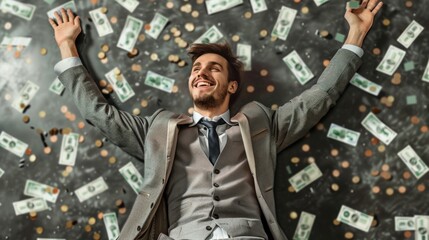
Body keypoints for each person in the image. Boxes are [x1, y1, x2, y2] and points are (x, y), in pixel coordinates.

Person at [48, 0, 383, 239]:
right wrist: (67, 47)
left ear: (231, 85)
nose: (201, 73)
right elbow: (98, 113)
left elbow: (318, 97)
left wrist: (356, 35)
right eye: (196, 69)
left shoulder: (261, 125)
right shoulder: (157, 130)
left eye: (213, 68)